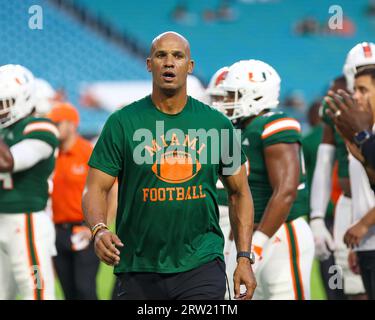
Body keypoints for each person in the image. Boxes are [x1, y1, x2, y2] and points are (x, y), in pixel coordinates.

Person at [82, 31, 256, 300]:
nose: (169, 62)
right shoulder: (122, 123)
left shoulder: (217, 125)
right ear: (149, 64)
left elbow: (240, 192)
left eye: (178, 56)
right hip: (138, 265)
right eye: (161, 55)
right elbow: (95, 188)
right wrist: (99, 229)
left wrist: (244, 257)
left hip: (202, 262)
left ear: (190, 66)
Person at [216, 59, 314, 300]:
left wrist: (257, 243)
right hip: (246, 236)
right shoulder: (236, 129)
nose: (228, 101)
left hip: (279, 231)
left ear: (256, 95)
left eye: (233, 95)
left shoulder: (274, 124)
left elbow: (286, 190)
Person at [309, 43, 375, 298]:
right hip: (351, 204)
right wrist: (316, 216)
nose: (359, 93)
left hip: (364, 212)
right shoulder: (338, 98)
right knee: (349, 290)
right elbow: (325, 164)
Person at [0, 64, 58, 300]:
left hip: (26, 221)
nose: (1, 110)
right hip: (2, 219)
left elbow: (8, 162)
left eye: (5, 104)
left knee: (37, 292)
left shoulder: (40, 127)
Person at [325, 67, 375, 299]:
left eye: (363, 90)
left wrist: (364, 225)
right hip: (366, 243)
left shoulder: (365, 136)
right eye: (355, 90)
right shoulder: (363, 135)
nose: (355, 96)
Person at [47, 102, 100, 300]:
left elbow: (110, 190)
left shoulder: (87, 152)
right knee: (69, 292)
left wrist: (93, 227)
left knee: (85, 290)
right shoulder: (50, 154)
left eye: (57, 123)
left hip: (83, 229)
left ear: (72, 124)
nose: (54, 128)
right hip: (57, 231)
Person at [302, 100, 346, 300]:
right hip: (347, 210)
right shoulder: (346, 131)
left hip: (323, 213)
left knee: (330, 268)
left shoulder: (308, 140)